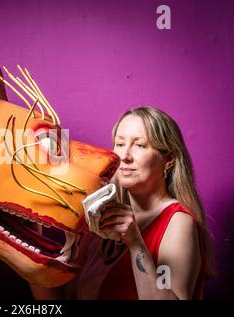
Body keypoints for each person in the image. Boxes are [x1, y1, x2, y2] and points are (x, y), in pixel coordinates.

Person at [30, 107, 214, 300]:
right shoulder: (101, 221)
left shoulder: (177, 222)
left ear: (169, 159)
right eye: (119, 144)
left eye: (139, 145)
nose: (124, 156)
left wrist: (135, 244)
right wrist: (31, 246)